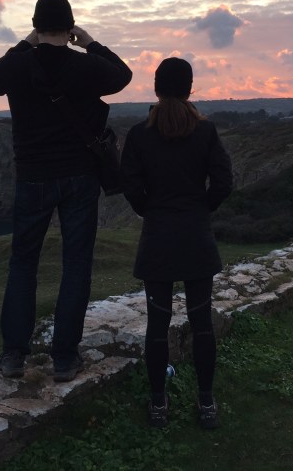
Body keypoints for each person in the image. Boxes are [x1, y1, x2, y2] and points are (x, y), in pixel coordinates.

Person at [0, 0, 132, 381]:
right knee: (76, 264)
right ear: (69, 28)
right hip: (79, 177)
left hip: (32, 177)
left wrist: (25, 43)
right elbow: (123, 75)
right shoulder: (84, 66)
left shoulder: (19, 66)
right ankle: (64, 358)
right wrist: (90, 42)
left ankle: (14, 355)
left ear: (35, 26)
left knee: (23, 264)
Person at [120, 57, 233, 429]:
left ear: (156, 88)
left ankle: (158, 405)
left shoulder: (139, 135)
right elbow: (222, 182)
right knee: (202, 324)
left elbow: (132, 187)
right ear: (189, 89)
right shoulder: (206, 132)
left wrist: (150, 211)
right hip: (196, 238)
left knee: (157, 325)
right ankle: (206, 403)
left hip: (158, 240)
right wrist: (202, 208)